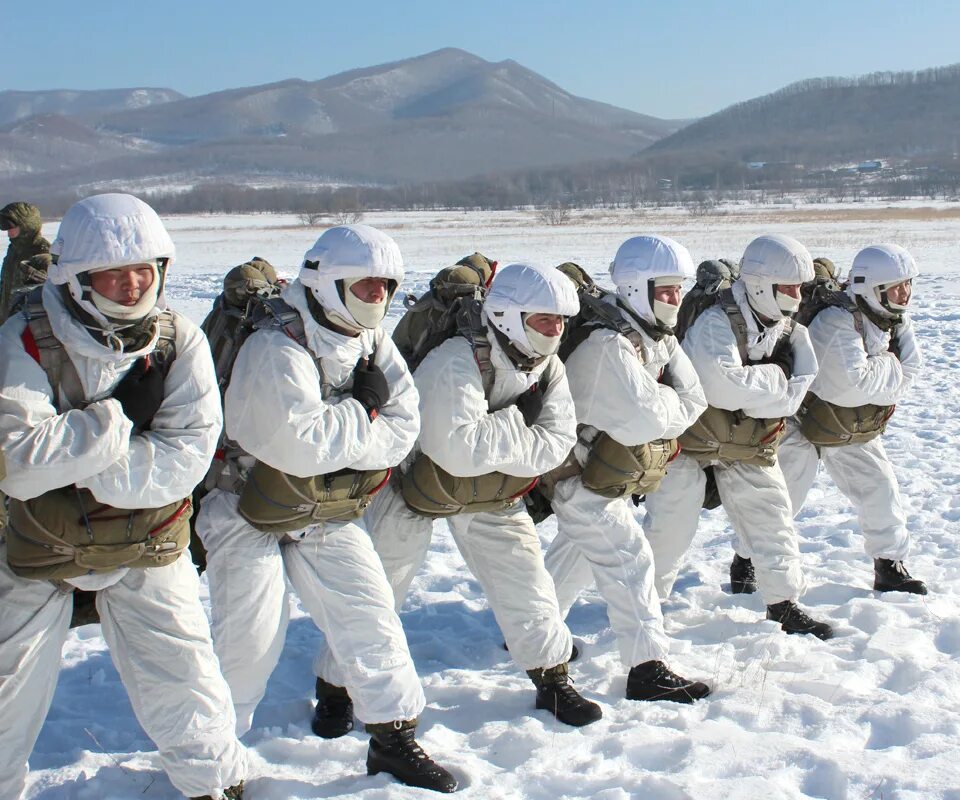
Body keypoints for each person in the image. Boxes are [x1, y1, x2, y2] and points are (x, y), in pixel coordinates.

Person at [0, 193, 247, 800]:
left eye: (147, 269)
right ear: (78, 277)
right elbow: (18, 465)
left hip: (150, 540)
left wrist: (83, 463)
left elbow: (187, 456)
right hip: (43, 545)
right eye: (116, 271)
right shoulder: (27, 340)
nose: (135, 284)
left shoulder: (176, 338)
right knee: (9, 686)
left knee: (186, 677)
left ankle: (213, 785)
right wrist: (118, 421)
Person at [196, 224, 457, 793]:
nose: (379, 300)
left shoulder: (371, 340)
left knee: (372, 616)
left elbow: (404, 430)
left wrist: (352, 425)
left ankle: (393, 737)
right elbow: (293, 442)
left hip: (323, 506)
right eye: (366, 287)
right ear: (330, 283)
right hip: (245, 507)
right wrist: (364, 408)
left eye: (386, 287)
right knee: (248, 640)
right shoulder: (276, 343)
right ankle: (213, 767)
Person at [321, 262, 606, 730]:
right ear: (511, 317)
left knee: (528, 586)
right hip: (413, 487)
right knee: (377, 593)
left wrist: (498, 439)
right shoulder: (457, 358)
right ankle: (335, 687)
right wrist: (520, 421)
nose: (555, 331)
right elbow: (453, 449)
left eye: (560, 321)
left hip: (494, 492)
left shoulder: (547, 366)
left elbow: (556, 444)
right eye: (543, 320)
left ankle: (552, 678)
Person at [543, 235, 712, 702]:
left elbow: (694, 402)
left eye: (680, 289)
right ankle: (647, 668)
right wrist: (668, 401)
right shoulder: (607, 344)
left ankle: (533, 633)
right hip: (578, 476)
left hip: (602, 474)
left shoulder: (655, 333)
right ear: (638, 289)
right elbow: (648, 420)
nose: (676, 300)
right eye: (666, 290)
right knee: (629, 558)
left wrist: (667, 403)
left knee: (577, 555)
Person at [643, 234, 834, 639]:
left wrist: (759, 390)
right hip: (687, 445)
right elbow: (721, 387)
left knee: (773, 519)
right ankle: (646, 605)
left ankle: (783, 603)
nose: (796, 298)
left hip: (747, 445)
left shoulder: (788, 329)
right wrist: (776, 379)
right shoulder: (717, 320)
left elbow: (799, 390)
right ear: (761, 284)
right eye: (788, 288)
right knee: (672, 524)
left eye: (799, 288)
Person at [776, 243, 927, 594]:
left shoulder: (895, 318)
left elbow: (912, 371)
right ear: (871, 288)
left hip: (847, 425)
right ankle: (748, 561)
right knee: (783, 496)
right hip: (803, 418)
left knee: (880, 488)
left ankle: (889, 565)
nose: (904, 294)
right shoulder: (836, 320)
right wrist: (890, 364)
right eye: (895, 286)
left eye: (907, 284)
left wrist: (880, 372)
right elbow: (847, 386)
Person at [0, 201, 52, 322]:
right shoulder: (14, 250)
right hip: (7, 321)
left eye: (12, 227)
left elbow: (49, 291)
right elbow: (5, 285)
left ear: (27, 226)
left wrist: (35, 274)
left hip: (26, 324)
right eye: (6, 227)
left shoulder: (43, 253)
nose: (9, 232)